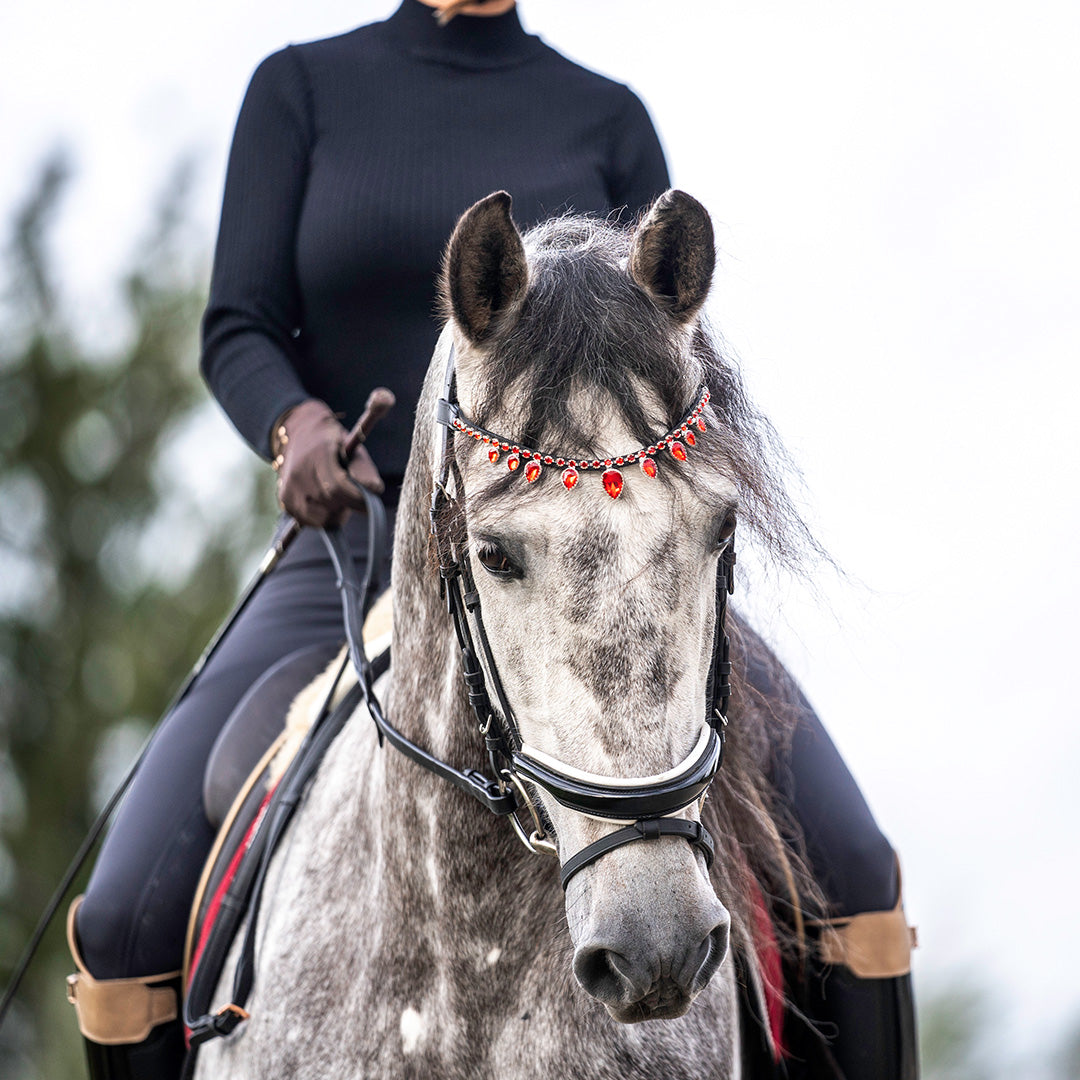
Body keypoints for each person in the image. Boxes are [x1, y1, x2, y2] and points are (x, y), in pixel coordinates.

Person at [64, 3, 915, 1078]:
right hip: (350, 546)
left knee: (857, 878)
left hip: (607, 569)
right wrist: (299, 426)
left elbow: (671, 356)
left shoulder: (606, 118)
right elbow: (238, 320)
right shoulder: (301, 92)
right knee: (125, 919)